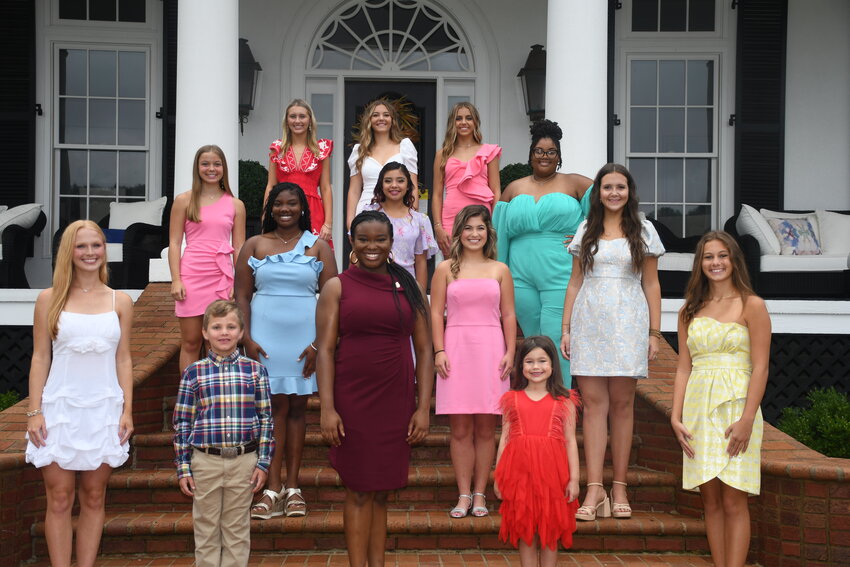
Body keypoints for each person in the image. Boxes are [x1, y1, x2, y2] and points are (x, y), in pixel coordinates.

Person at [316, 210, 434, 567]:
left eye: (380, 239)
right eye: (363, 239)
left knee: (381, 492)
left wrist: (423, 406)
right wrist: (327, 407)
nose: (372, 246)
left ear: (391, 242)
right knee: (357, 490)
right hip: (351, 399)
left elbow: (426, 350)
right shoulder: (337, 286)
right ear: (352, 241)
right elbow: (324, 348)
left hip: (395, 398)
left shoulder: (408, 286)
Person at [25, 220, 134, 567]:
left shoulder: (122, 300)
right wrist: (34, 411)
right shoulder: (48, 299)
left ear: (105, 250)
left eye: (96, 245)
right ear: (68, 252)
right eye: (81, 246)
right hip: (59, 410)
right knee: (58, 498)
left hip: (104, 410)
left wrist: (127, 410)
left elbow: (124, 358)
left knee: (94, 496)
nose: (90, 253)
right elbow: (40, 357)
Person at [560, 163, 664, 521]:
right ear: (598, 193)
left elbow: (651, 284)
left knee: (622, 404)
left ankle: (619, 486)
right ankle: (594, 490)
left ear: (629, 191)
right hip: (589, 322)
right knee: (592, 404)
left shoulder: (644, 230)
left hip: (627, 323)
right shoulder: (586, 229)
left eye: (620, 187)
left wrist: (654, 332)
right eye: (607, 187)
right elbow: (575, 282)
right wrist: (566, 328)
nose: (614, 193)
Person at [234, 182, 337, 519]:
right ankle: (270, 487)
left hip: (305, 342)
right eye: (278, 204)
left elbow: (335, 301)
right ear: (270, 209)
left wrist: (319, 344)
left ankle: (293, 487)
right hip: (263, 340)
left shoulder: (319, 247)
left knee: (297, 410)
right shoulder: (254, 245)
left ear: (302, 208)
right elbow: (241, 298)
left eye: (292, 204)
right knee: (271, 411)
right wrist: (246, 339)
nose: (285, 210)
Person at [671, 231, 770, 567]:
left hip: (736, 410)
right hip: (698, 408)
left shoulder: (752, 305)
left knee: (733, 500)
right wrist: (675, 416)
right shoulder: (688, 311)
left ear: (734, 260)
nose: (716, 263)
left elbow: (760, 368)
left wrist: (746, 419)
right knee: (710, 501)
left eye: (722, 255)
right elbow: (683, 368)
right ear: (700, 264)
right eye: (708, 257)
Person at [172, 300, 274, 567]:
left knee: (237, 530)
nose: (224, 332)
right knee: (205, 529)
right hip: (205, 461)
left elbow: (265, 419)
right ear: (205, 332)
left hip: (244, 461)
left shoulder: (255, 372)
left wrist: (263, 463)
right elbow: (183, 423)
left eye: (231, 326)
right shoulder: (193, 373)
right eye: (217, 327)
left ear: (241, 332)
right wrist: (183, 467)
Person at [430, 204, 516, 518]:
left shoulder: (500, 269)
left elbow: (508, 313)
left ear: (488, 233)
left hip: (492, 348)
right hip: (456, 348)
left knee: (485, 428)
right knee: (460, 429)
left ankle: (480, 493)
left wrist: (510, 351)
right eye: (468, 228)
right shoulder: (444, 269)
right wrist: (439, 350)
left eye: (480, 228)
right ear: (459, 233)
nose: (474, 234)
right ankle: (463, 494)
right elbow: (435, 314)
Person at [493, 119, 593, 380]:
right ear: (530, 155)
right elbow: (500, 236)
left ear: (559, 157)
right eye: (539, 151)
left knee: (558, 339)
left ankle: (562, 406)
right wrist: (496, 275)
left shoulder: (575, 183)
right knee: (532, 342)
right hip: (519, 277)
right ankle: (535, 403)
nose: (545, 156)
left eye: (551, 152)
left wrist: (586, 233)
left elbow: (612, 205)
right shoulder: (513, 188)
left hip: (559, 275)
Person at [494, 336, 580, 567]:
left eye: (542, 361)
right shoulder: (511, 399)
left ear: (553, 365)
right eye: (529, 361)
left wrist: (574, 479)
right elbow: (505, 437)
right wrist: (498, 476)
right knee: (525, 531)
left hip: (553, 478)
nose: (536, 367)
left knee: (550, 532)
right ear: (521, 365)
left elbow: (571, 441)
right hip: (520, 476)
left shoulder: (565, 400)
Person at [169, 145, 246, 372]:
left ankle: (219, 394)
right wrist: (176, 279)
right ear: (197, 168)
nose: (211, 169)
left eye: (216, 164)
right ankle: (190, 398)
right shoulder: (184, 200)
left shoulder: (236, 205)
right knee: (191, 341)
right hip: (191, 275)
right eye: (205, 164)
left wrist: (237, 281)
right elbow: (174, 243)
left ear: (224, 168)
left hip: (221, 278)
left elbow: (239, 246)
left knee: (219, 343)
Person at [431, 102, 502, 256]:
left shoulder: (488, 152)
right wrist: (438, 227)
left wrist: (494, 224)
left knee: (481, 266)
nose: (463, 122)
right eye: (458, 118)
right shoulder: (442, 154)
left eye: (468, 118)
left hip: (482, 219)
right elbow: (437, 194)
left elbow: (496, 190)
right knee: (453, 269)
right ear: (452, 123)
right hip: (451, 218)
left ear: (475, 122)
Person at [265, 99, 334, 241]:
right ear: (287, 121)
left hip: (313, 210)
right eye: (293, 116)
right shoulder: (277, 149)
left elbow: (326, 187)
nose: (297, 121)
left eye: (302, 116)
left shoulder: (321, 150)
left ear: (310, 120)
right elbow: (271, 185)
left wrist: (328, 223)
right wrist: (265, 214)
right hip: (283, 209)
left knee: (313, 255)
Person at [364, 161, 438, 289]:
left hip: (406, 287)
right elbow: (358, 253)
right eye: (388, 181)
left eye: (400, 181)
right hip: (372, 283)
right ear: (381, 185)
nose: (394, 185)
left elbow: (421, 263)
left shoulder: (420, 220)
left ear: (408, 186)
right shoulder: (369, 213)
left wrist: (419, 299)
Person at [346, 98, 418, 227]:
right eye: (375, 115)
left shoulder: (405, 146)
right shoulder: (359, 150)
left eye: (386, 115)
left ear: (393, 120)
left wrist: (413, 216)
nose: (381, 118)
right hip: (366, 211)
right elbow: (354, 190)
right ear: (369, 120)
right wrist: (350, 222)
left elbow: (413, 186)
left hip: (399, 210)